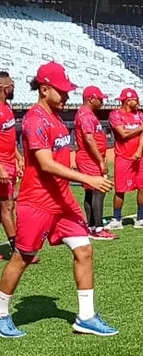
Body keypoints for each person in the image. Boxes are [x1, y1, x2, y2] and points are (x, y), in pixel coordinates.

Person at [0, 62, 117, 339]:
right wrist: (86, 179)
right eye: (61, 91)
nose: (66, 97)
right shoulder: (35, 119)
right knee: (22, 258)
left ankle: (86, 317)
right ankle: (1, 313)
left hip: (62, 202)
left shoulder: (54, 117)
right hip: (37, 202)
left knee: (84, 250)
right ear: (44, 89)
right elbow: (45, 164)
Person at [106, 88, 143, 230]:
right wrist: (140, 128)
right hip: (123, 157)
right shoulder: (115, 115)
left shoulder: (140, 115)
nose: (137, 102)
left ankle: (140, 218)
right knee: (120, 190)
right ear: (127, 100)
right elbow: (123, 134)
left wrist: (139, 150)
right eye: (135, 99)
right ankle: (116, 219)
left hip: (139, 157)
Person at [75, 86, 115, 240]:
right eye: (100, 98)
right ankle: (98, 228)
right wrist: (100, 161)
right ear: (91, 99)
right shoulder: (85, 115)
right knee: (99, 190)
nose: (102, 101)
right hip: (89, 158)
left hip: (90, 157)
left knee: (91, 191)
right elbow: (89, 139)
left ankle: (92, 226)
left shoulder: (88, 114)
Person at [0, 72, 23, 259]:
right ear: (3, 87)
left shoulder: (6, 106)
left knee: (7, 206)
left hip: (9, 162)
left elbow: (7, 138)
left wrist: (17, 155)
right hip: (2, 166)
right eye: (11, 83)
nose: (13, 86)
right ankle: (17, 250)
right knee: (7, 206)